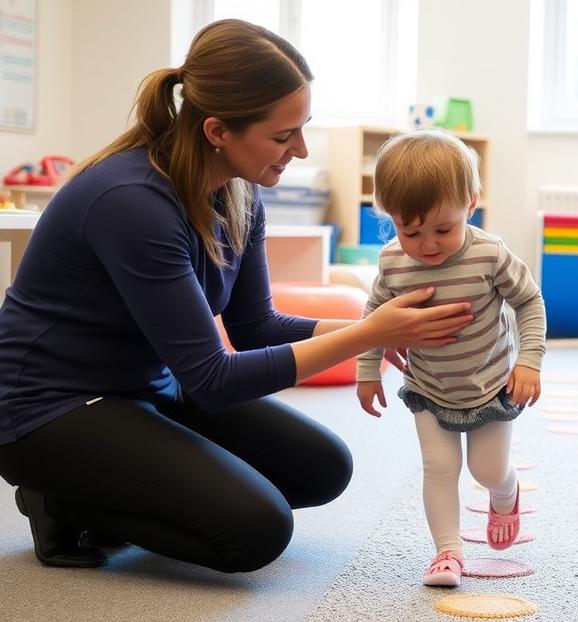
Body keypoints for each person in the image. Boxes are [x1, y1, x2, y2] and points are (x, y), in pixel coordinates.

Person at [0, 20, 473, 573]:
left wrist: (375, 331)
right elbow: (215, 380)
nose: (299, 150)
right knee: (256, 530)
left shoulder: (240, 192)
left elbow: (256, 328)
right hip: (48, 409)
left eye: (302, 129)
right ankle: (62, 502)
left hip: (147, 387)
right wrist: (369, 332)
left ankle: (117, 485)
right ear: (218, 130)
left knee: (322, 468)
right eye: (283, 136)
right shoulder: (131, 202)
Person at [355, 129, 546, 588]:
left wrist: (529, 360)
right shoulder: (392, 262)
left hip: (491, 385)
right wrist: (367, 370)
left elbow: (529, 300)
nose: (428, 245)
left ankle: (507, 491)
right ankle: (448, 552)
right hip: (429, 387)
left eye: (443, 229)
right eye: (410, 231)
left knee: (487, 469)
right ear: (389, 217)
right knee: (439, 468)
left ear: (471, 203)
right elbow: (373, 316)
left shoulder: (489, 254)